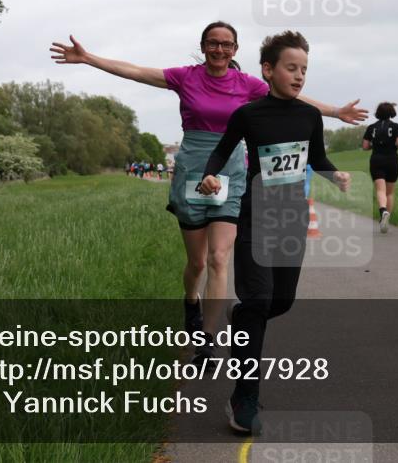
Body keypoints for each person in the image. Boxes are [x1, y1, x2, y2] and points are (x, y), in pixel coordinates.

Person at [50, 23, 367, 362]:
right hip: (192, 172)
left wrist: (334, 111)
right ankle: (191, 302)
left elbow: (292, 95)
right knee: (197, 262)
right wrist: (88, 59)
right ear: (203, 47)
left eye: (227, 45)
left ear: (235, 50)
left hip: (231, 173)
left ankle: (206, 342)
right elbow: (137, 72)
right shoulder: (186, 77)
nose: (219, 50)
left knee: (219, 258)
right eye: (213, 44)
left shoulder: (247, 85)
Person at [198, 31, 350, 434]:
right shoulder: (249, 115)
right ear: (268, 70)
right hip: (256, 215)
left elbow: (316, 157)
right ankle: (244, 397)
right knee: (261, 298)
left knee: (279, 302)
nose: (299, 76)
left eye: (304, 70)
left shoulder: (309, 116)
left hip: (291, 216)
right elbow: (222, 148)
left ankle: (243, 312)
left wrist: (335, 175)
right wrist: (210, 174)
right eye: (291, 68)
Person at [362, 102, 398, 233]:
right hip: (392, 160)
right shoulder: (396, 126)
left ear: (378, 113)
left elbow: (365, 147)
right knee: (390, 192)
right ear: (392, 113)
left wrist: (374, 145)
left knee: (380, 190)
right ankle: (386, 220)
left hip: (377, 160)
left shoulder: (371, 128)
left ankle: (383, 211)